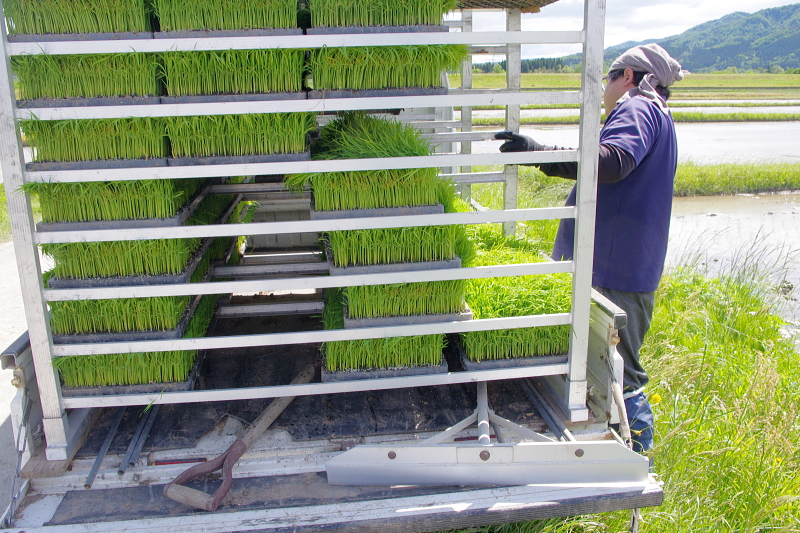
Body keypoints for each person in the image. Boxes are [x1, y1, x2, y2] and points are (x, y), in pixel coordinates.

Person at [495, 44, 685, 453]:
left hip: (614, 274)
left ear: (628, 77)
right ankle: (613, 452)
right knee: (607, 371)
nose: (604, 88)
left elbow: (613, 161)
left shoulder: (639, 107)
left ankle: (639, 460)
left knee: (621, 376)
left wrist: (538, 153)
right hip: (623, 269)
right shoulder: (657, 115)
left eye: (608, 78)